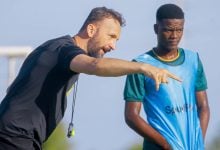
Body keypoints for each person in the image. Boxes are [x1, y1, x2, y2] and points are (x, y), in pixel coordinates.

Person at [0, 6, 181, 150]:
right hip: (14, 136)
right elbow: (95, 66)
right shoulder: (63, 50)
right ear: (91, 29)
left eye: (117, 40)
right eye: (111, 37)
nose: (113, 46)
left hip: (19, 137)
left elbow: (15, 91)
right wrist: (143, 67)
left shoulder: (55, 49)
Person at [123, 4, 210, 150]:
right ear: (156, 29)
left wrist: (198, 142)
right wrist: (165, 145)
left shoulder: (193, 60)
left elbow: (204, 107)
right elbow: (131, 116)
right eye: (168, 30)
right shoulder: (140, 65)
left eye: (179, 30)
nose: (174, 36)